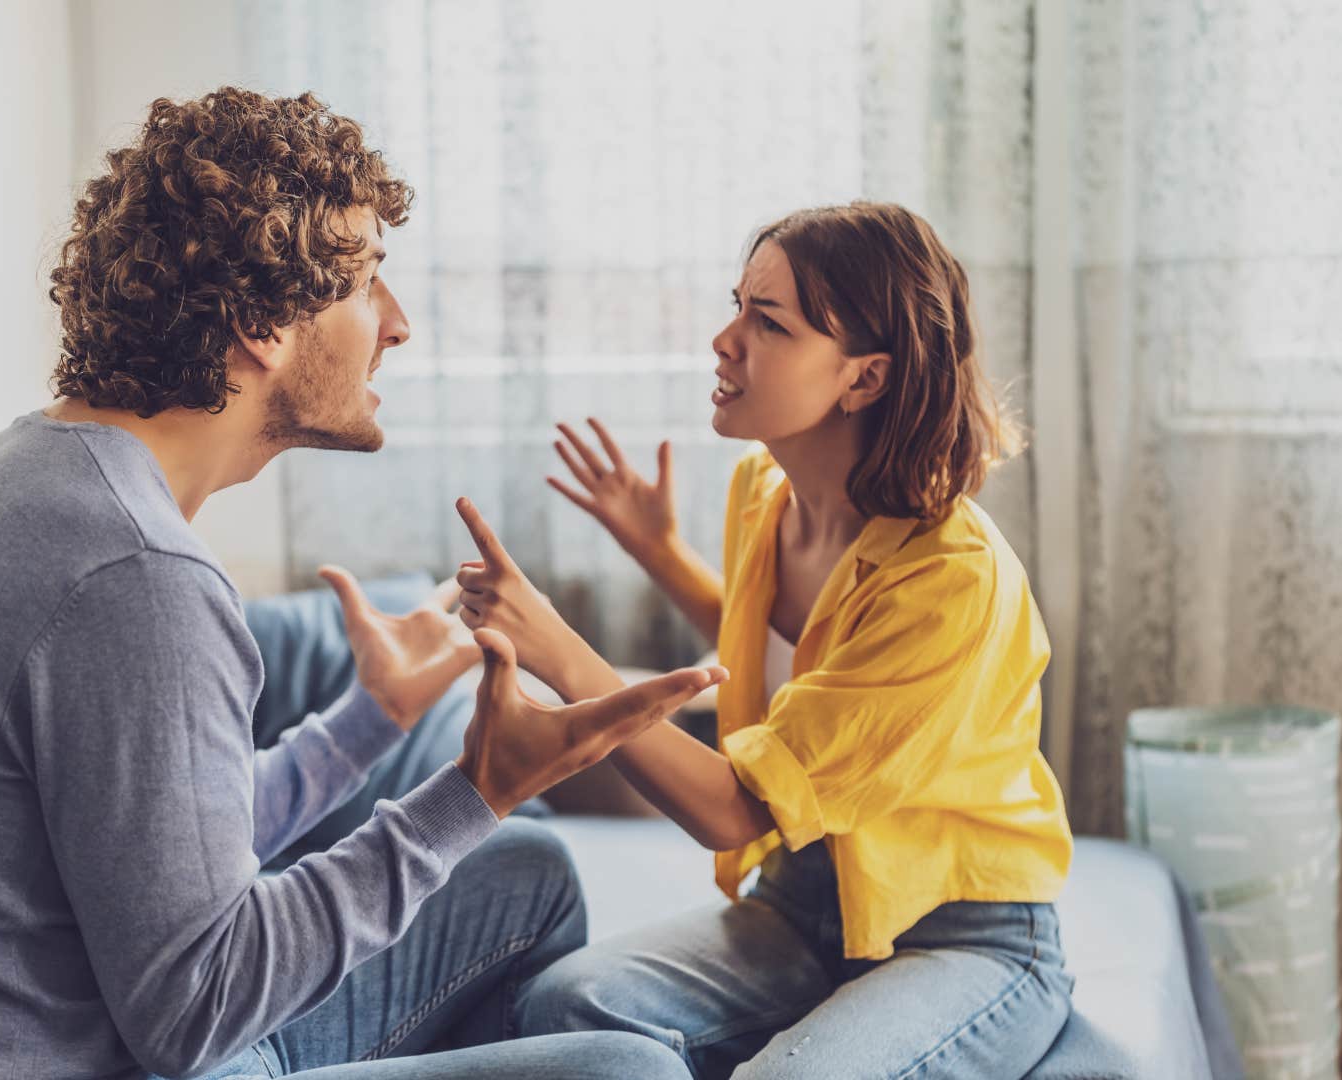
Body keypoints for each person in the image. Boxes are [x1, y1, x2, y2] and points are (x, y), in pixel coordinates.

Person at [0, 87, 721, 1080]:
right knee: (626, 1073)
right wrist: (480, 788)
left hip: (113, 1038)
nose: (399, 325)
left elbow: (159, 852)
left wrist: (370, 722)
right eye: (368, 282)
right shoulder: (137, 574)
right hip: (147, 1054)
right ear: (262, 320)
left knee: (528, 875)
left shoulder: (38, 474)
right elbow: (196, 1010)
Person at [451, 202, 1077, 1078]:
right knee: (568, 1004)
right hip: (800, 902)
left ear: (864, 378)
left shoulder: (950, 582)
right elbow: (797, 661)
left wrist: (560, 652)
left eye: (767, 322)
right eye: (737, 305)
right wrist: (663, 554)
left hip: (959, 932)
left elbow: (734, 808)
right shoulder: (765, 491)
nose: (724, 338)